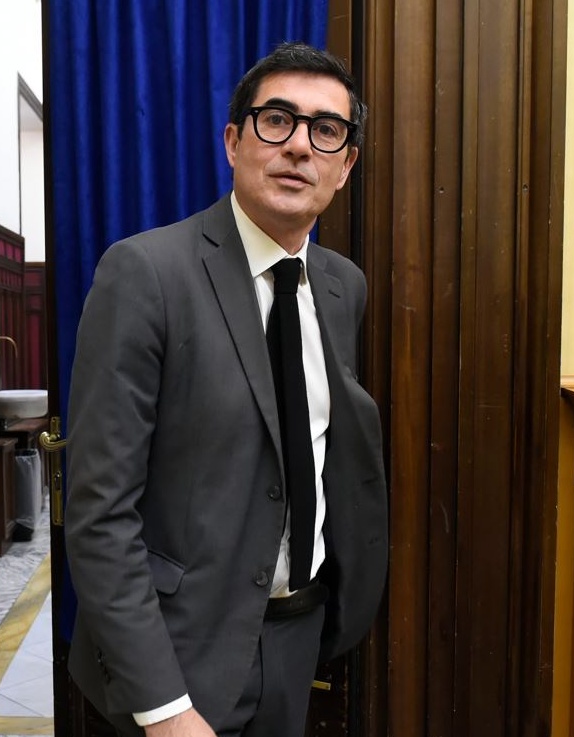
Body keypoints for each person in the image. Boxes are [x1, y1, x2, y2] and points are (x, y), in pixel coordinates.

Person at [64, 41, 388, 737]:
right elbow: (99, 513)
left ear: (345, 166)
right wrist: (163, 707)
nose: (299, 146)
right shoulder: (146, 274)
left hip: (298, 640)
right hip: (175, 658)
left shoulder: (342, 287)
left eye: (326, 130)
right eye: (277, 120)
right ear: (234, 142)